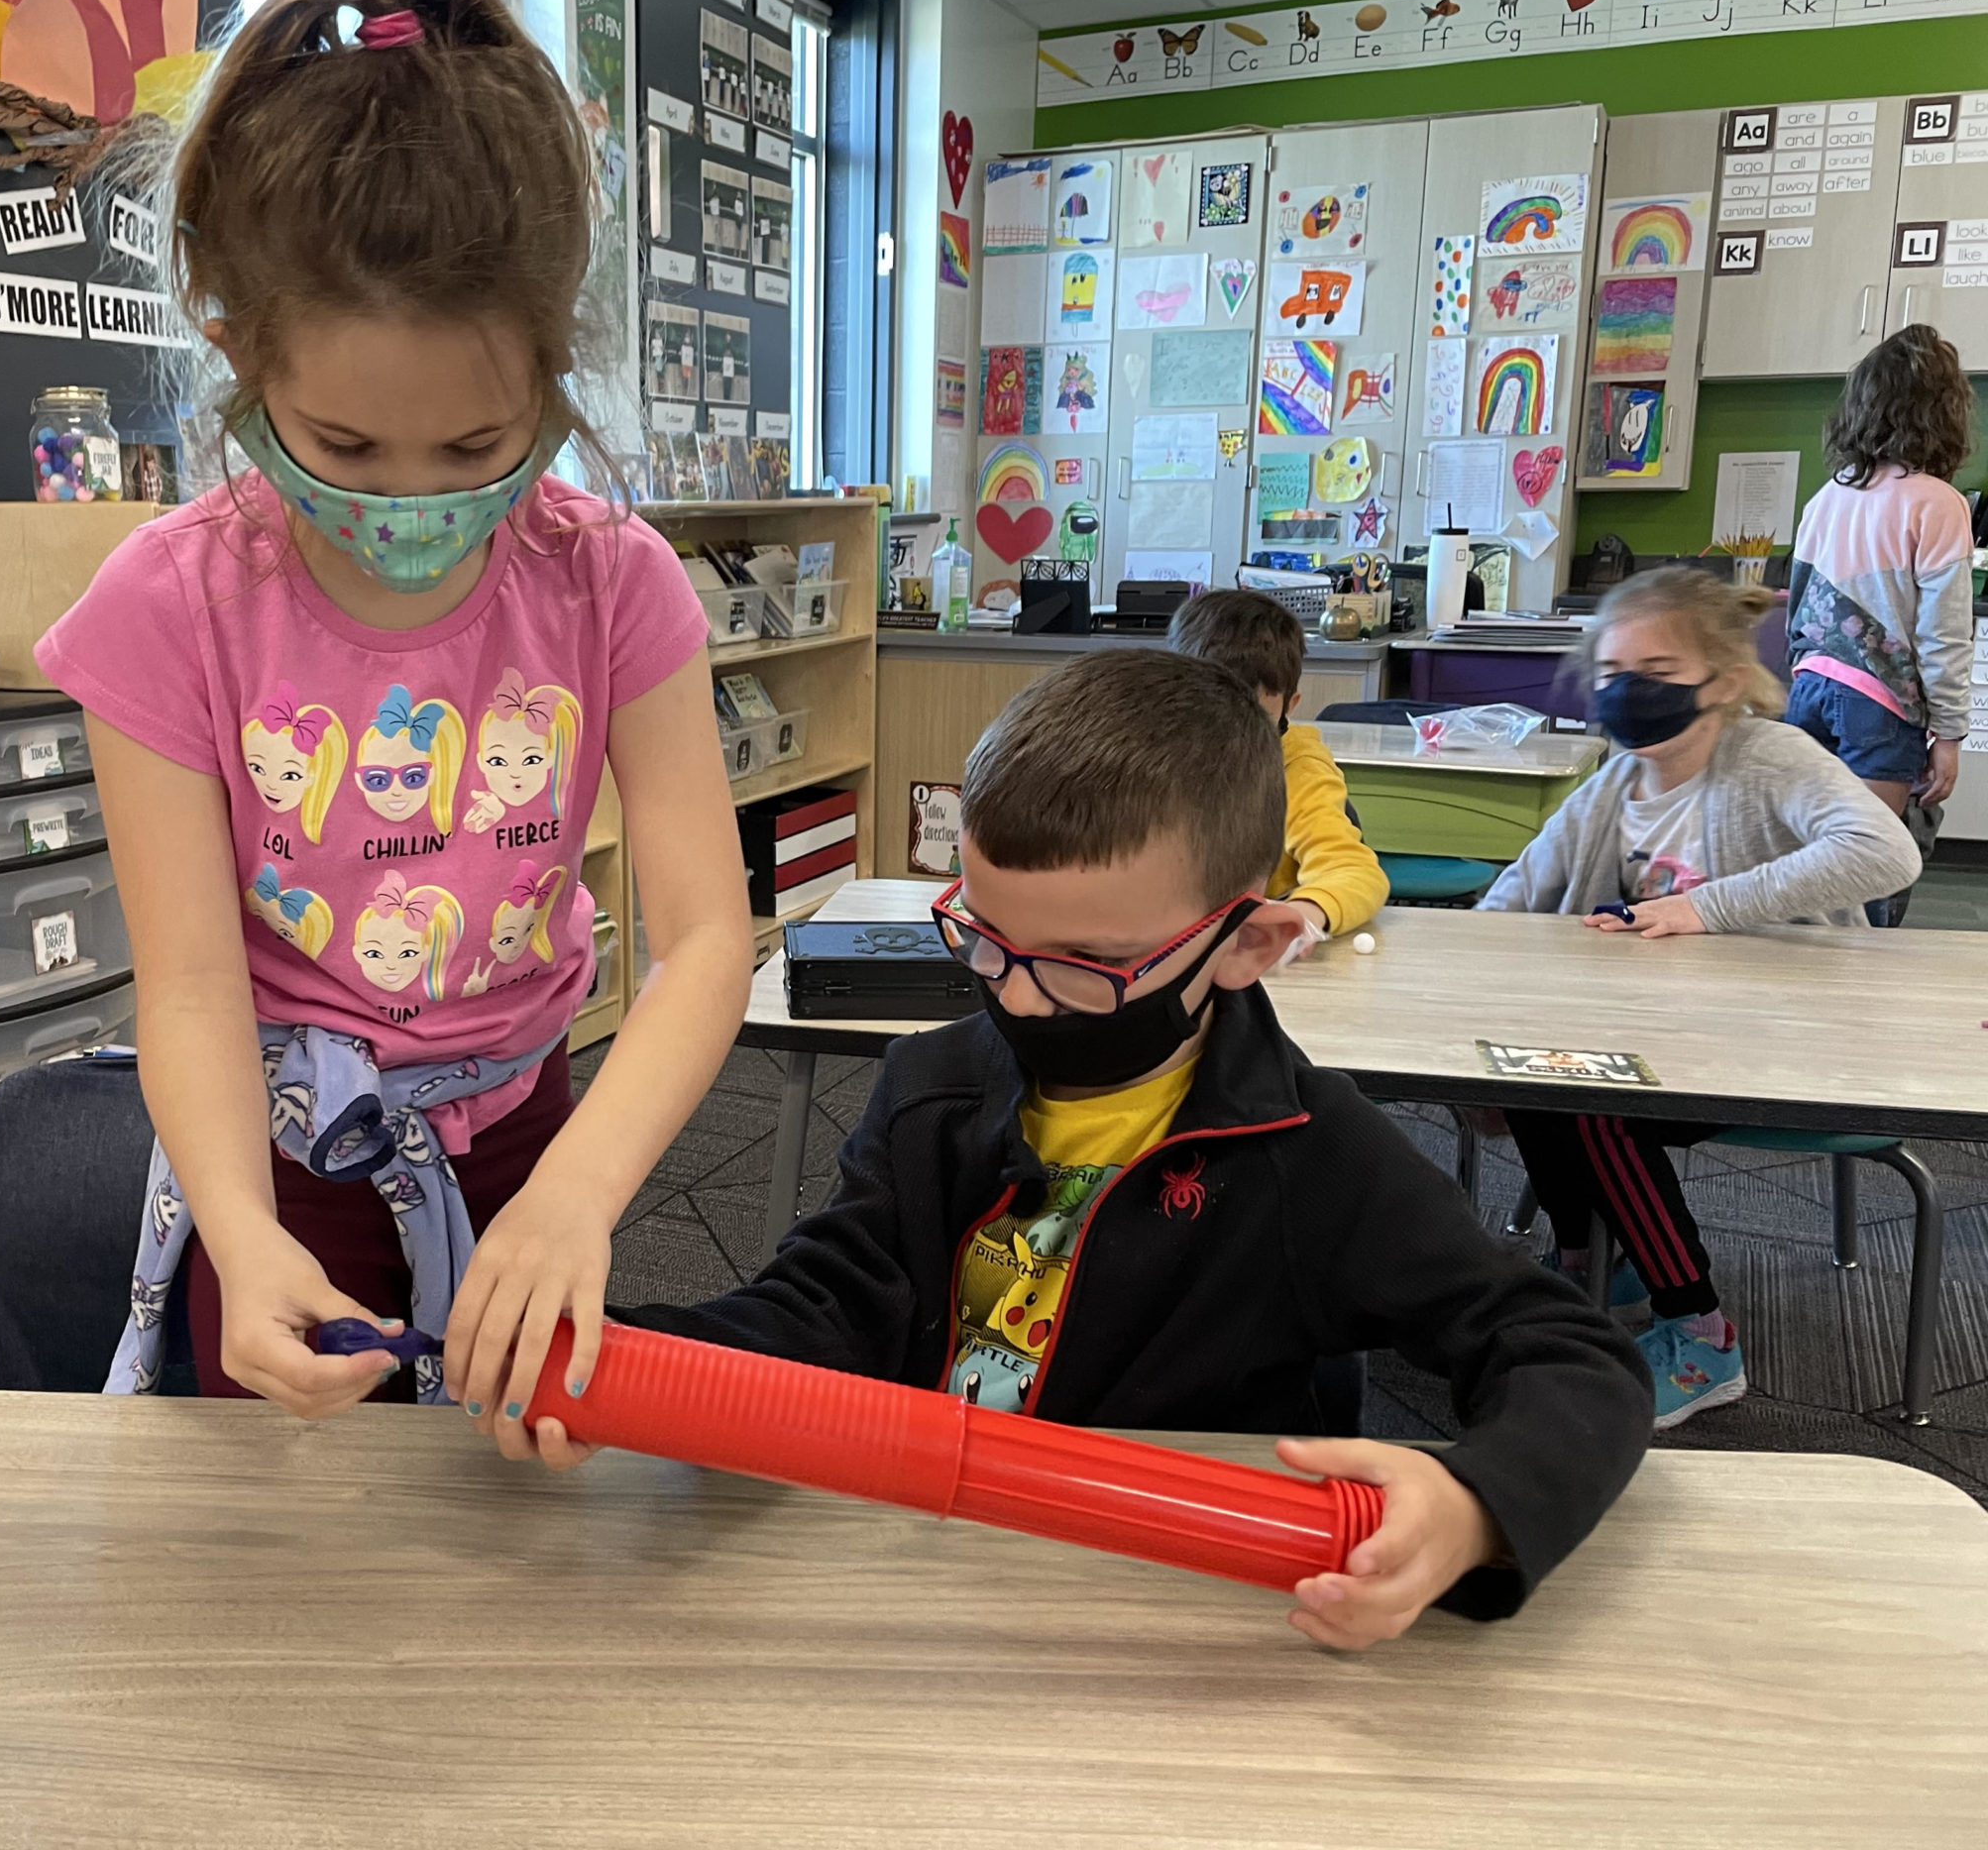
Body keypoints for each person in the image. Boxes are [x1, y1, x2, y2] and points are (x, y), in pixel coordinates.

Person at [497, 653, 1653, 1651]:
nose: (1021, 997)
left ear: (1245, 944)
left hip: (1174, 1617)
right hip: (924, 1583)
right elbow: (829, 1305)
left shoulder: (1309, 1152)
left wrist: (1473, 1504)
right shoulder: (932, 1090)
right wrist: (634, 1365)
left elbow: (1572, 1356)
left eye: (1084, 965)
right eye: (987, 943)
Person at [35, 0, 750, 1426]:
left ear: (555, 367)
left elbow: (706, 936)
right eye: (345, 445)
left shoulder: (614, 583)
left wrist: (578, 1196)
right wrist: (241, 1229)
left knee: (518, 1511)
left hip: (544, 1137)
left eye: (477, 444)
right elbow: (188, 985)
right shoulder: (169, 605)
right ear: (237, 352)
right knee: (315, 1546)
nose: (412, 502)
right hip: (291, 1164)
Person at [1481, 568, 1922, 1427]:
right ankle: (1590, 1262)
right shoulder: (1615, 783)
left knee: (1600, 1101)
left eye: (1653, 669)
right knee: (1535, 1068)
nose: (1626, 692)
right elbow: (1516, 897)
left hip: (1787, 1042)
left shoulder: (1769, 757)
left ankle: (1703, 1336)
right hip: (1667, 1035)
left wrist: (1699, 907)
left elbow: (1886, 853)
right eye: (1611, 673)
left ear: (1720, 681)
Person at [1785, 325, 1975, 921]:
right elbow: (1944, 635)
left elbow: (1797, 606)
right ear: (1944, 414)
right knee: (1872, 860)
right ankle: (1863, 991)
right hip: (1880, 704)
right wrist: (1948, 735)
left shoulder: (1826, 498)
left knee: (1808, 851)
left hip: (1809, 688)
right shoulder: (1938, 502)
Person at [1169, 590, 1389, 947]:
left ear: (1289, 708)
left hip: (1259, 956)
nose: (1231, 736)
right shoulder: (1154, 757)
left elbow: (1353, 871)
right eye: (1208, 714)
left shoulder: (1298, 770)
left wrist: (1306, 914)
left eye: (1254, 719)